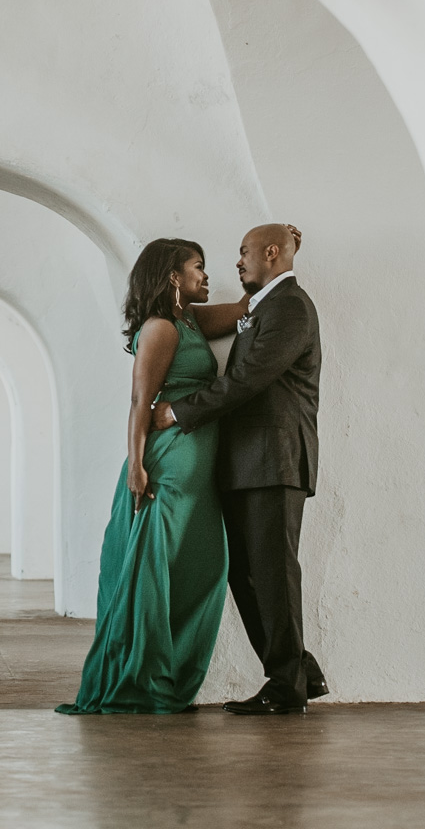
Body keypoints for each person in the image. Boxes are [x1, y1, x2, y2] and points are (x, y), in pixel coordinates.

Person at [57, 238, 251, 714]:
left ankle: (168, 669)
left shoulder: (191, 320)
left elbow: (249, 304)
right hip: (166, 464)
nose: (207, 277)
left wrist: (285, 250)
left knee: (200, 569)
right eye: (198, 268)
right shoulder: (161, 328)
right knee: (153, 570)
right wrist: (138, 467)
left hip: (196, 468)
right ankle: (142, 678)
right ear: (172, 276)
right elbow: (138, 402)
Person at [153, 222, 327, 715]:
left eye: (244, 252)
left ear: (270, 252)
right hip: (249, 463)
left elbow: (249, 379)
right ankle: (297, 671)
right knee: (246, 574)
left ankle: (287, 687)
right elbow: (187, 314)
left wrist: (179, 411)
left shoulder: (291, 305)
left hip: (275, 461)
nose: (236, 262)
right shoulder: (265, 305)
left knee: (273, 574)